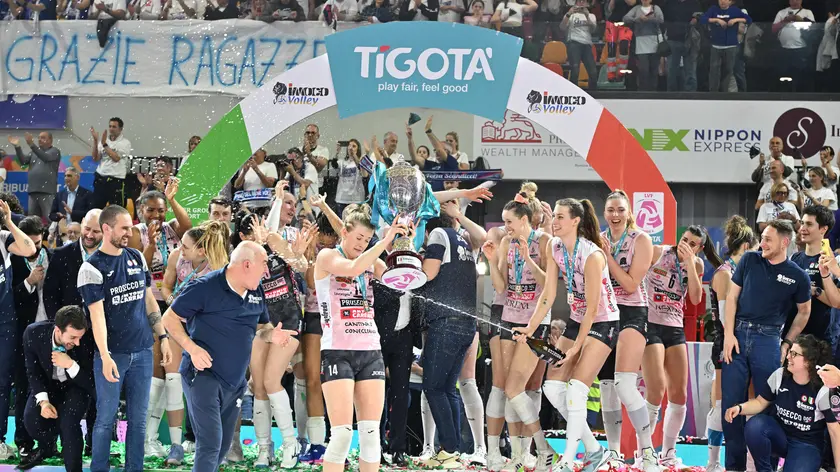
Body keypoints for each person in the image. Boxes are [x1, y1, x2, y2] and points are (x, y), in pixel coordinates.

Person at [515, 198, 643, 472]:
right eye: (555, 216)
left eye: (561, 217)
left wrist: (576, 348)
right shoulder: (554, 247)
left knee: (576, 389)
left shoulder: (592, 254)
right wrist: (530, 327)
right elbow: (549, 293)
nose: (555, 221)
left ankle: (569, 460)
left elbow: (594, 307)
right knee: (552, 387)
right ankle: (595, 450)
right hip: (577, 318)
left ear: (575, 221)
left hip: (604, 321)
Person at [162, 241, 295, 471]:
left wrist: (271, 335)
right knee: (211, 443)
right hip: (203, 375)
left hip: (235, 382)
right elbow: (169, 318)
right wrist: (192, 349)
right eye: (263, 264)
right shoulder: (205, 286)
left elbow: (262, 327)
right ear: (246, 264)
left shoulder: (256, 290)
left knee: (223, 446)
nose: (266, 271)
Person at [77, 204, 172, 472]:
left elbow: (149, 299)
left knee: (138, 420)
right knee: (105, 420)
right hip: (113, 355)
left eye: (130, 228)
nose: (129, 233)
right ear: (106, 229)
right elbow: (96, 319)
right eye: (124, 228)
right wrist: (105, 356)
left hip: (142, 350)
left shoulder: (136, 257)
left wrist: (162, 336)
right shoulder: (91, 268)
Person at [314, 205, 408, 472]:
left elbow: (401, 279)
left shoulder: (372, 260)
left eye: (367, 240)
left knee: (370, 437)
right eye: (358, 238)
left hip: (370, 350)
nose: (362, 244)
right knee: (342, 434)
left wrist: (402, 243)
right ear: (344, 232)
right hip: (337, 350)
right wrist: (384, 241)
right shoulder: (327, 256)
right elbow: (354, 268)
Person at [721, 219, 812, 472]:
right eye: (762, 237)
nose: (762, 243)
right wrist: (729, 334)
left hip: (769, 340)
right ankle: (733, 468)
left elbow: (804, 312)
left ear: (785, 242)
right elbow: (732, 297)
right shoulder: (749, 260)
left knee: (768, 407)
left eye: (768, 239)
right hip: (737, 336)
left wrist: (787, 343)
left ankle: (766, 468)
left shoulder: (797, 275)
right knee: (731, 406)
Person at [147, 220, 230, 465]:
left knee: (208, 387)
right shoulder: (176, 257)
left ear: (201, 250)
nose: (180, 248)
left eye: (185, 246)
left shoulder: (218, 266)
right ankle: (176, 445)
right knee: (173, 380)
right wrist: (175, 301)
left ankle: (215, 446)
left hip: (205, 329)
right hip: (176, 322)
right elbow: (166, 287)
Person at [482, 184, 551, 472]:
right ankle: (501, 454)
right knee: (506, 387)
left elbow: (549, 283)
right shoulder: (507, 243)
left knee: (519, 387)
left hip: (535, 321)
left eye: (508, 221)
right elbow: (500, 286)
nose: (504, 226)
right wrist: (491, 260)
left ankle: (535, 449)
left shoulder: (545, 241)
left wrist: (527, 258)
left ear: (524, 220)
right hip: (508, 318)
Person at [234, 213, 312, 468]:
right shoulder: (243, 257)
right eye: (253, 231)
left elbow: (300, 266)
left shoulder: (276, 241)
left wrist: (297, 254)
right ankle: (264, 450)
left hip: (289, 320)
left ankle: (290, 445)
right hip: (260, 324)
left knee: (270, 381)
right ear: (244, 238)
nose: (261, 231)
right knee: (257, 386)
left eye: (262, 224)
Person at [420, 201, 487, 468]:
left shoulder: (438, 236)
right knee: (448, 389)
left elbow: (428, 273)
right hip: (467, 326)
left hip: (445, 323)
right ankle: (453, 451)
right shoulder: (466, 243)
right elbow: (481, 236)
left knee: (433, 387)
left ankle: (448, 450)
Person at [643, 225, 716, 468]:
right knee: (656, 391)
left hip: (674, 327)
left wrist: (691, 264)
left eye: (692, 243)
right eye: (684, 240)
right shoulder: (657, 252)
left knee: (679, 395)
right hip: (650, 323)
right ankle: (645, 453)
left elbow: (695, 298)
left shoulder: (696, 265)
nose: (685, 245)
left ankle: (668, 453)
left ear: (700, 248)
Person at [596, 190, 656, 468]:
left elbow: (631, 284)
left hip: (633, 311)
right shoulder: (599, 239)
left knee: (624, 383)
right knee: (607, 387)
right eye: (610, 210)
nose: (615, 215)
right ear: (604, 212)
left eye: (620, 209)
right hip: (605, 313)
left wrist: (607, 257)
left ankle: (648, 453)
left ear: (629, 212)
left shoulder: (641, 239)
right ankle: (614, 454)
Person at [725, 335, 837, 472]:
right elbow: (760, 402)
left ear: (808, 362)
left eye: (794, 354)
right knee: (755, 426)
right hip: (780, 437)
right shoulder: (780, 375)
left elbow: (835, 432)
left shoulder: (823, 389)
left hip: (807, 444)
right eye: (790, 351)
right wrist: (739, 408)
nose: (788, 356)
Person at [705, 215, 757, 472]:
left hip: (742, 344)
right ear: (747, 246)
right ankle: (712, 463)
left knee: (747, 405)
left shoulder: (740, 271)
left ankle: (748, 462)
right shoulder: (724, 274)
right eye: (757, 248)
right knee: (720, 406)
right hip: (726, 344)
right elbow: (727, 320)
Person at [20, 306, 94, 472]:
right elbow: (33, 372)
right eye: (73, 337)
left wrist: (71, 365)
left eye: (79, 337)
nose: (77, 342)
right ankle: (48, 446)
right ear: (58, 330)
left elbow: (91, 384)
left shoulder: (87, 340)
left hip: (76, 387)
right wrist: (44, 402)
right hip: (49, 386)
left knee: (69, 425)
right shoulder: (33, 334)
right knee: (31, 420)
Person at [297, 212, 340, 464]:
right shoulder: (312, 250)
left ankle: (337, 441)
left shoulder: (345, 250)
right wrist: (312, 250)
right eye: (321, 240)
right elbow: (311, 281)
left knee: (337, 381)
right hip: (314, 316)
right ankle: (316, 444)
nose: (325, 244)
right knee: (313, 379)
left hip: (341, 320)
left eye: (329, 240)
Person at [11, 216, 53, 456]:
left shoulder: (53, 258)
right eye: (30, 243)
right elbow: (9, 300)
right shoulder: (13, 260)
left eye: (38, 243)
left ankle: (48, 439)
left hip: (51, 332)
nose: (34, 248)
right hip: (23, 334)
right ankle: (23, 440)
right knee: (25, 386)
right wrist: (29, 282)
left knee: (50, 386)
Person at [0, 199, 37, 460]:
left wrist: (9, 221)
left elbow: (30, 248)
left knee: (2, 383)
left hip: (5, 322)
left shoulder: (3, 238)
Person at [786, 205, 840, 344]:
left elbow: (836, 302)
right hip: (794, 336)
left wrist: (812, 290)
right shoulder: (794, 258)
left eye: (809, 224)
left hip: (822, 339)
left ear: (823, 229)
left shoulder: (834, 261)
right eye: (802, 223)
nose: (802, 228)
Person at [8, 132, 61, 221]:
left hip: (47, 191)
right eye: (39, 137)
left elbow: (45, 157)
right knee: (32, 221)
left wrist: (32, 145)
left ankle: (52, 235)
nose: (40, 139)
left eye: (43, 138)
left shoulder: (54, 151)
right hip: (33, 191)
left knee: (50, 219)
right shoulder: (34, 152)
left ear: (50, 140)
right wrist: (17, 147)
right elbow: (23, 162)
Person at [90, 119, 132, 209]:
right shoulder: (104, 140)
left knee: (116, 210)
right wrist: (95, 140)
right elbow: (95, 158)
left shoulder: (125, 143)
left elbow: (116, 158)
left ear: (120, 129)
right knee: (96, 208)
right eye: (110, 126)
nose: (111, 129)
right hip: (100, 179)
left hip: (115, 180)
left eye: (114, 127)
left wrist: (104, 145)